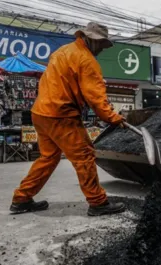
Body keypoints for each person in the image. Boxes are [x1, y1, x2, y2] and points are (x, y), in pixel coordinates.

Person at [10, 22, 126, 216]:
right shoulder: (86, 60)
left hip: (41, 112)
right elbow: (96, 98)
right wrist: (113, 118)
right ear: (91, 39)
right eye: (100, 44)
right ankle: (98, 203)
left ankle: (21, 198)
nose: (101, 50)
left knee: (48, 158)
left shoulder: (63, 51)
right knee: (84, 156)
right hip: (61, 114)